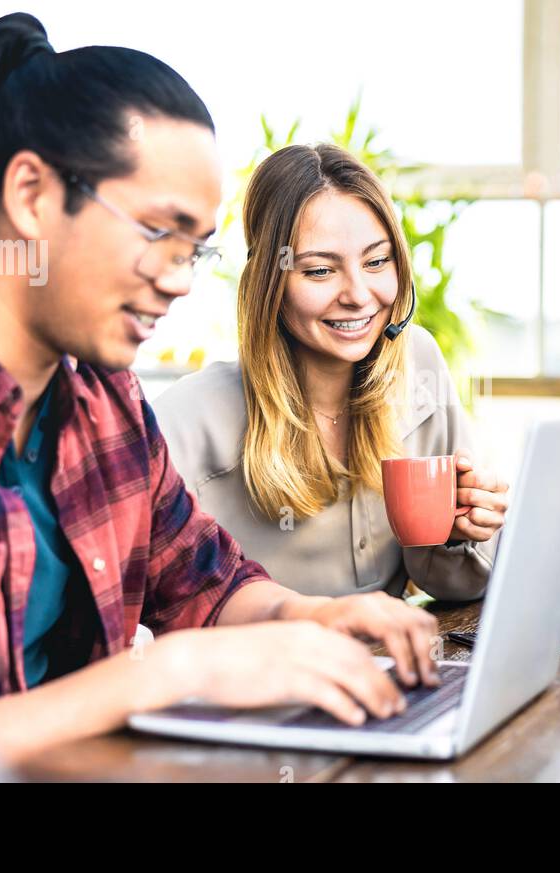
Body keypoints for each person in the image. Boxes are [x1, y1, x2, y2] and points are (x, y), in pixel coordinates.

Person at [0, 14, 442, 783]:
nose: (179, 277)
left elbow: (206, 582)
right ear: (31, 193)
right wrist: (173, 671)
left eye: (195, 247)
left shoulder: (105, 398)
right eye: (158, 231)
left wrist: (312, 618)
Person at [154, 144, 507, 599]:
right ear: (269, 285)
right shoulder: (188, 418)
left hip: (389, 660)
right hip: (261, 667)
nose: (359, 295)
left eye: (377, 261)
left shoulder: (416, 362)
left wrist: (461, 532)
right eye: (320, 271)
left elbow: (451, 585)